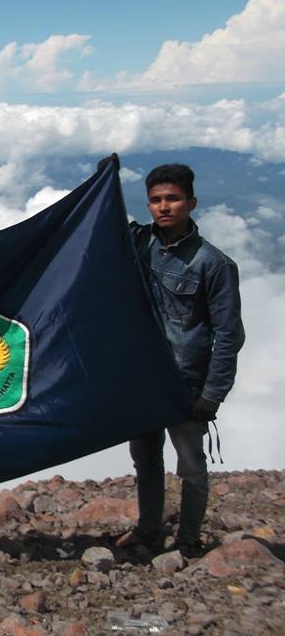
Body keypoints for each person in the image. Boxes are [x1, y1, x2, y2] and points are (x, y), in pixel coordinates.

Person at [113, 161, 245, 558]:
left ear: (192, 202)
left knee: (190, 465)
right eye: (155, 200)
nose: (163, 207)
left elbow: (229, 334)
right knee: (146, 460)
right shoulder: (138, 244)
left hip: (187, 384)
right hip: (145, 378)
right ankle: (148, 531)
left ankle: (188, 540)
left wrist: (214, 393)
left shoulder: (214, 264)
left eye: (173, 198)